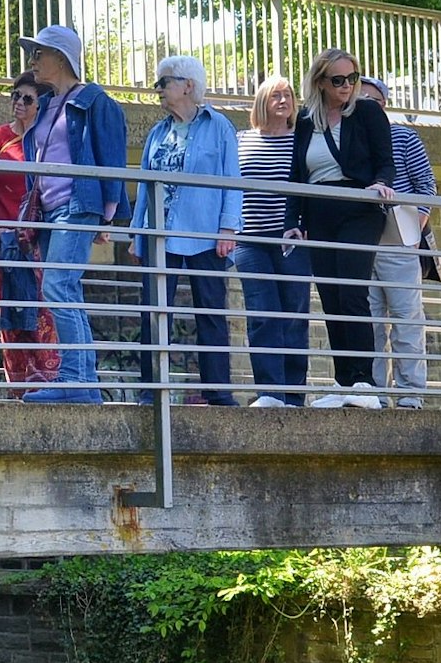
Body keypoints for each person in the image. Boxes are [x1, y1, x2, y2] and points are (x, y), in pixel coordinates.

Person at [14, 24, 128, 404]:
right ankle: (80, 381)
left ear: (60, 59)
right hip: (50, 211)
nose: (33, 61)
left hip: (78, 206)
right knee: (65, 289)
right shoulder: (46, 103)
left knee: (58, 287)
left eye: (39, 53)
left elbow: (111, 156)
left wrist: (106, 216)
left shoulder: (95, 100)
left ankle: (76, 381)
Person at [285, 48, 397, 410]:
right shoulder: (305, 120)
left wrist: (380, 183)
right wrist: (293, 223)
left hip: (358, 206)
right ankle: (343, 380)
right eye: (338, 80)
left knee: (351, 293)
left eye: (353, 78)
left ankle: (364, 382)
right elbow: (296, 176)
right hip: (318, 209)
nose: (347, 86)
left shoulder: (366, 111)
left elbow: (385, 161)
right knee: (330, 297)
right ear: (319, 81)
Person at [132, 55, 240, 405]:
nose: (158, 90)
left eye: (163, 83)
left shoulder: (219, 126)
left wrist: (228, 228)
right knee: (155, 312)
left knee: (210, 312)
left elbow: (231, 181)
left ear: (188, 86)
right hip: (159, 234)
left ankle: (218, 392)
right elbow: (144, 187)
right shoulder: (157, 131)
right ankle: (152, 390)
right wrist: (137, 234)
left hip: (205, 233)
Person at [233, 76, 313, 407]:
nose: (283, 100)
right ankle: (270, 393)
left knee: (294, 314)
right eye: (275, 95)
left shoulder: (303, 140)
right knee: (262, 315)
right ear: (262, 103)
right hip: (250, 240)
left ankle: (293, 396)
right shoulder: (241, 139)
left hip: (292, 239)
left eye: (288, 95)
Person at [0, 72, 60, 393]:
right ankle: (19, 386)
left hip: (39, 241)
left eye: (27, 98)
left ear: (41, 105)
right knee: (11, 310)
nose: (18, 102)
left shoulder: (49, 141)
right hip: (4, 239)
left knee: (45, 312)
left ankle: (50, 383)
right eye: (15, 95)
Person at [369, 117, 437, 409]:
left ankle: (411, 394)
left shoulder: (404, 137)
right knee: (367, 322)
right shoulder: (346, 134)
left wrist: (413, 227)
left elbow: (426, 184)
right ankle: (374, 394)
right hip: (360, 240)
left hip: (399, 239)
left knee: (406, 318)